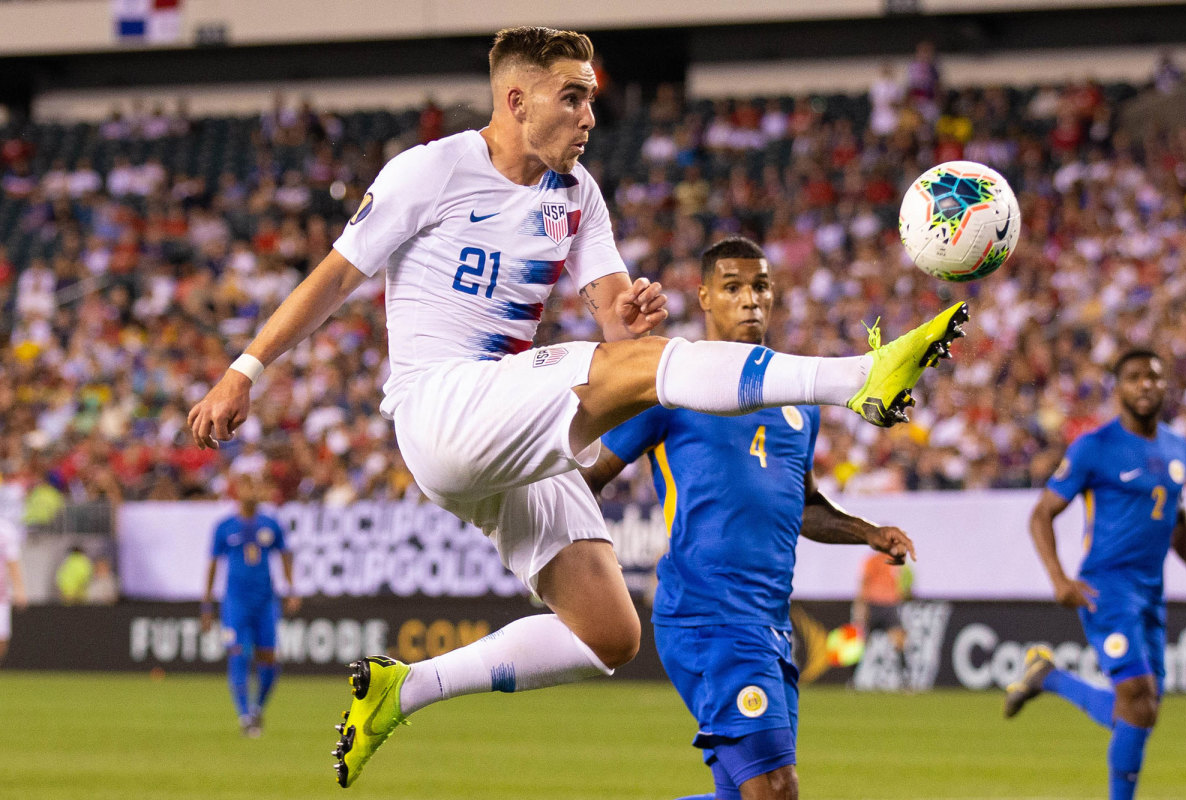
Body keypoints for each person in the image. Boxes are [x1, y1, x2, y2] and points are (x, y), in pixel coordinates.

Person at [186, 27, 968, 788]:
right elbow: (333, 276)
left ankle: (406, 688)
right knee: (648, 371)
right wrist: (245, 370)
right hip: (444, 406)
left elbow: (616, 323)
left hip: (505, 429)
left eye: (592, 98)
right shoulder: (430, 171)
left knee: (609, 633)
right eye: (573, 98)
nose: (591, 116)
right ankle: (859, 376)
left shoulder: (578, 194)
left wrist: (629, 316)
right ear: (516, 101)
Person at [579, 236, 918, 800]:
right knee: (776, 790)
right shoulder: (670, 389)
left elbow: (803, 505)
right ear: (704, 297)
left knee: (743, 795)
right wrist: (576, 564)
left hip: (770, 624)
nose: (750, 299)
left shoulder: (799, 402)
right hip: (708, 618)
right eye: (732, 287)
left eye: (760, 286)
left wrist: (868, 533)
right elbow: (585, 479)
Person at [1005, 349, 1186, 800]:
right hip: (1106, 587)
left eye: (1153, 376)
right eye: (1134, 377)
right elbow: (1041, 515)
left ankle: (1048, 677)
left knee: (1141, 710)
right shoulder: (1094, 447)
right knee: (1137, 694)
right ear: (1118, 388)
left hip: (1150, 592)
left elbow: (1175, 517)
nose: (1145, 384)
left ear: (1165, 385)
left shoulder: (1177, 446)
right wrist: (1059, 580)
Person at [201, 480, 301, 737]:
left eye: (256, 487)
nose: (253, 492)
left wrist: (291, 588)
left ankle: (257, 708)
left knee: (269, 659)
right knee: (238, 653)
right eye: (247, 486)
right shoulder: (224, 526)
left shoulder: (271, 523)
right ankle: (245, 714)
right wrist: (207, 605)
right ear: (237, 492)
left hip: (265, 601)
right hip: (236, 601)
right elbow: (213, 565)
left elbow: (285, 555)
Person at [853, 550, 914, 689]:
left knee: (899, 642)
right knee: (862, 644)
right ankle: (852, 680)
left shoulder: (897, 563)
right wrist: (861, 608)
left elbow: (903, 586)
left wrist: (905, 592)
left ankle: (905, 682)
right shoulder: (871, 561)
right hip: (873, 605)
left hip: (889, 606)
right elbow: (864, 584)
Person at [0, 516, 27, 664]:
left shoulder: (6, 530)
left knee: (2, 639)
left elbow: (13, 562)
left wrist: (19, 589)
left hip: (1, 595)